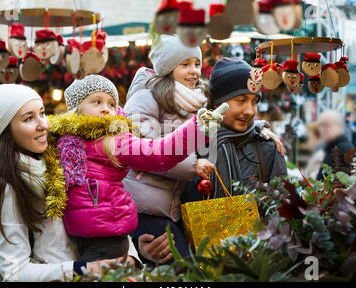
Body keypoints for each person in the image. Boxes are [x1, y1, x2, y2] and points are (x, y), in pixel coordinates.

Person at [123, 35, 285, 264]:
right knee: (183, 267)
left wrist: (259, 127)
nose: (193, 71)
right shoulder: (150, 99)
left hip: (170, 209)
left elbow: (281, 211)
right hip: (145, 204)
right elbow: (141, 150)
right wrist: (192, 165)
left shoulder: (193, 103)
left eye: (197, 64)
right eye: (184, 64)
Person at [0, 84, 142, 281]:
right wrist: (84, 269)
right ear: (7, 131)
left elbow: (104, 216)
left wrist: (130, 257)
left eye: (42, 113)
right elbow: (14, 272)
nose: (43, 124)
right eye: (28, 118)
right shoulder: (9, 186)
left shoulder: (69, 155)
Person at [54, 74, 225, 263]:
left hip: (105, 235)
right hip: (75, 235)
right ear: (77, 108)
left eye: (111, 104)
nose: (105, 109)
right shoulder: (64, 142)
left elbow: (158, 153)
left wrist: (197, 130)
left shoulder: (115, 140)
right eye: (97, 102)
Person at [183, 57, 288, 205]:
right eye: (241, 100)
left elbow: (282, 209)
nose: (249, 111)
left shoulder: (267, 148)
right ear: (217, 103)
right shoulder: (192, 145)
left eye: (254, 101)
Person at [315, 110, 356, 180]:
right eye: (320, 125)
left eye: (326, 125)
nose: (322, 129)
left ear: (339, 126)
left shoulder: (344, 150)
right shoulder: (332, 147)